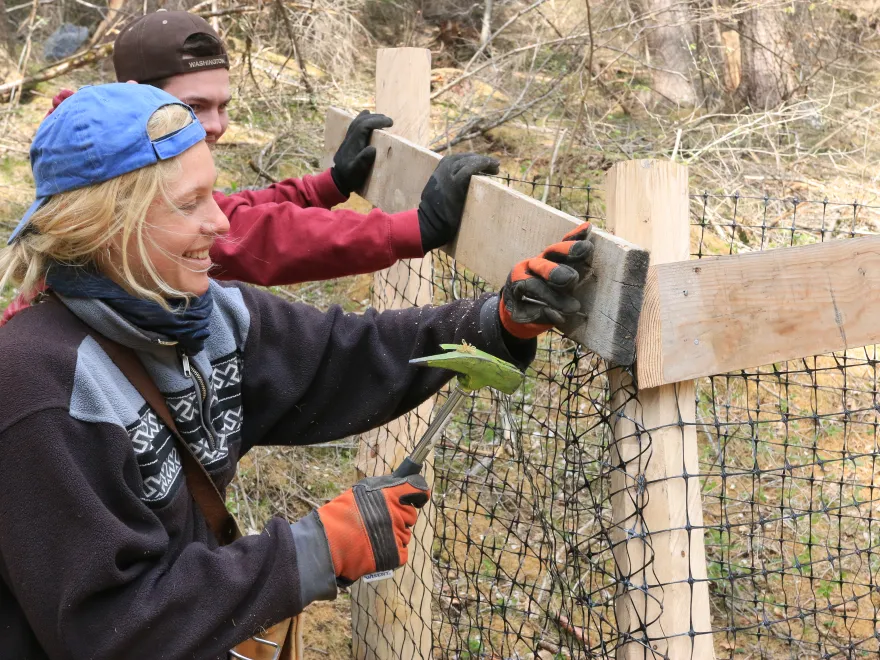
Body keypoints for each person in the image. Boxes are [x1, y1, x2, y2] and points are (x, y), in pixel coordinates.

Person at [0, 84, 592, 658]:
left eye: (214, 194)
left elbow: (345, 355)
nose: (224, 223)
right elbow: (109, 627)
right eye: (189, 204)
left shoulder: (206, 316)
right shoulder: (39, 388)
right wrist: (316, 550)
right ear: (103, 225)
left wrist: (498, 322)